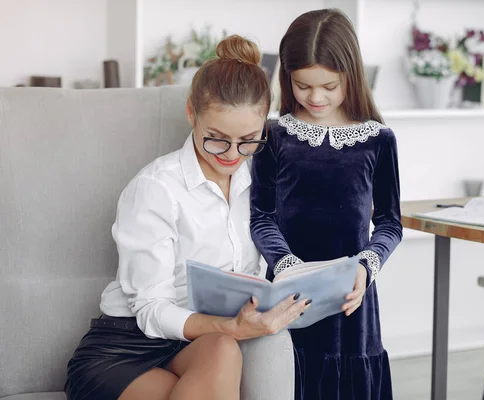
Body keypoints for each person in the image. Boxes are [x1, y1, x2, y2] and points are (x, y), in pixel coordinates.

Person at [64, 35, 310, 400]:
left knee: (224, 348)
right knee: (223, 346)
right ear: (192, 112)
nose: (231, 155)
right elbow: (150, 310)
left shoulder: (264, 182)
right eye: (216, 138)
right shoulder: (156, 188)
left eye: (248, 140)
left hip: (204, 345)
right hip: (126, 348)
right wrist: (233, 327)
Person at [249, 9, 403, 400]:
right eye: (302, 86)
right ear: (287, 77)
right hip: (286, 297)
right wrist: (286, 265)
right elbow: (261, 216)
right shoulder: (274, 135)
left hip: (351, 303)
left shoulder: (378, 139)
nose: (315, 98)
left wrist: (367, 265)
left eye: (329, 86)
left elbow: (390, 223)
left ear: (351, 74)